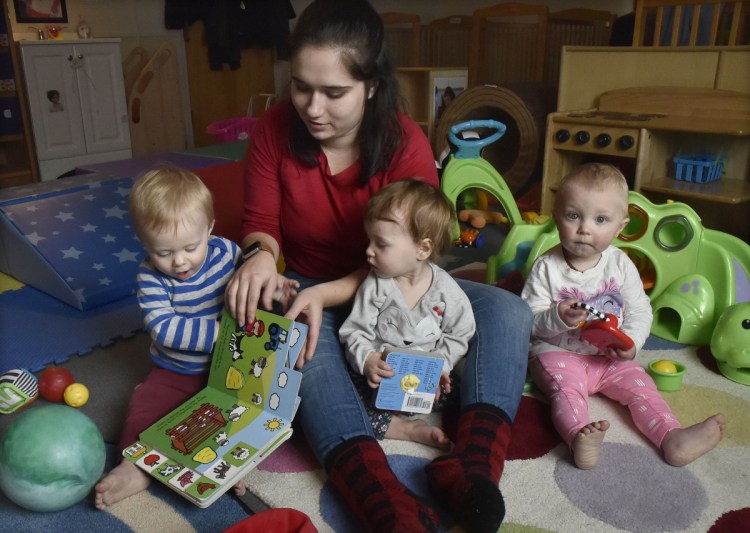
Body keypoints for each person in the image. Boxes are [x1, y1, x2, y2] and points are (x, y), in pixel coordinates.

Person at [224, 1, 532, 532]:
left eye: (334, 93)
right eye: (300, 86)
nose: (312, 108)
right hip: (311, 284)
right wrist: (259, 257)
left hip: (395, 282)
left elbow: (421, 246)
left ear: (370, 86)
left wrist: (336, 291)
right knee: (300, 346)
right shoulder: (275, 129)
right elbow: (260, 222)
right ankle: (380, 496)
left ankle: (472, 468)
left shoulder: (403, 141)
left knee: (506, 312)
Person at [94, 167, 295, 509]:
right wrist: (217, 334)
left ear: (210, 228)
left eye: (190, 246)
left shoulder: (228, 254)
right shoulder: (150, 277)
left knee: (241, 414)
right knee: (144, 410)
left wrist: (275, 286)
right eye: (164, 252)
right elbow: (164, 328)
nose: (180, 261)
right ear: (145, 244)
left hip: (229, 368)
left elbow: (251, 285)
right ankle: (134, 468)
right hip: (176, 371)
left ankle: (224, 465)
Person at [520, 162, 725, 470]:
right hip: (558, 353)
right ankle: (578, 438)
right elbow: (529, 321)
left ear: (620, 227)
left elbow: (641, 310)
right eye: (573, 215)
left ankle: (672, 437)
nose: (585, 228)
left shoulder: (621, 264)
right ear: (556, 215)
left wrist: (632, 343)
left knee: (641, 387)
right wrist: (557, 317)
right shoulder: (546, 267)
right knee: (566, 392)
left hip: (609, 357)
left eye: (600, 219)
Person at [339, 179, 475, 450]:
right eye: (370, 241)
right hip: (380, 381)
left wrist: (441, 366)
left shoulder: (446, 290)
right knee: (342, 399)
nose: (368, 251)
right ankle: (405, 430)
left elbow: (460, 333)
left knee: (464, 391)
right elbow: (354, 331)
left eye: (381, 244)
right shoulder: (376, 284)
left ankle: (456, 433)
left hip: (426, 383)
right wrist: (368, 360)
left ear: (422, 249)